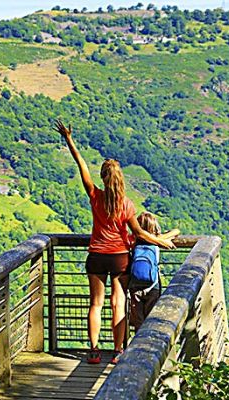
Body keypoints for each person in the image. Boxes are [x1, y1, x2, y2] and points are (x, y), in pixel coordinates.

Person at [54, 120, 178, 365]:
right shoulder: (126, 204)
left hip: (96, 255)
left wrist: (69, 139)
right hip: (120, 256)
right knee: (117, 303)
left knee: (95, 304)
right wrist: (161, 242)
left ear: (102, 178)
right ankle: (119, 350)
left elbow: (81, 166)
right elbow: (139, 233)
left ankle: (94, 350)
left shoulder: (94, 195)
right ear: (121, 179)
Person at [128, 212, 179, 332]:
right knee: (151, 318)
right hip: (153, 284)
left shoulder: (133, 242)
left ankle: (137, 344)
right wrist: (161, 239)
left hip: (135, 284)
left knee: (138, 321)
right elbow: (176, 231)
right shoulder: (157, 241)